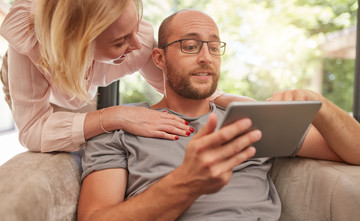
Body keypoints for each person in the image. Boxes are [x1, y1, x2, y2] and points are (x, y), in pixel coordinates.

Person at [77, 9, 360, 221]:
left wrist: (319, 106)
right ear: (159, 59)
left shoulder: (251, 119)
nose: (206, 57)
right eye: (190, 46)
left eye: (214, 47)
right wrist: (187, 182)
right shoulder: (121, 126)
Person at [0, 0, 245, 153]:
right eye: (120, 42)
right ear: (78, 45)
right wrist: (117, 114)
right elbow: (32, 132)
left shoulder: (139, 40)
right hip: (43, 73)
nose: (138, 44)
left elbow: (183, 89)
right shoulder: (29, 41)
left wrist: (246, 107)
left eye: (135, 27)